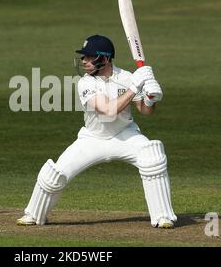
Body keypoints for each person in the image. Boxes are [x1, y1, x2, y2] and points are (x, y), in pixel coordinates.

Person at [16, 34, 177, 228]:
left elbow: (145, 111)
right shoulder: (86, 83)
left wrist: (151, 98)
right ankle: (34, 213)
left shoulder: (126, 77)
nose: (84, 61)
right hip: (93, 138)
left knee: (153, 155)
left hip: (125, 135)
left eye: (89, 56)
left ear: (105, 58)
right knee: (55, 174)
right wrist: (135, 86)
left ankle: (163, 217)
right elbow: (109, 110)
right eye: (83, 57)